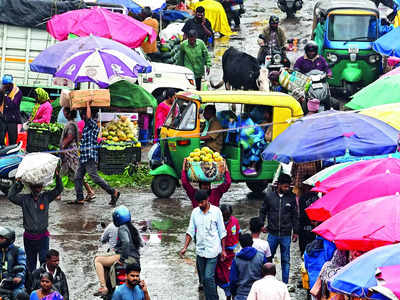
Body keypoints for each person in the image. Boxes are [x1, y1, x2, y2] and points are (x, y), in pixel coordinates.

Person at [8, 169, 63, 273]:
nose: (37, 189)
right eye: (34, 187)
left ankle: (43, 283)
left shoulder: (46, 197)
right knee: (30, 262)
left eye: (39, 186)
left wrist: (57, 176)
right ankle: (31, 284)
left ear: (42, 187)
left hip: (43, 237)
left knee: (43, 261)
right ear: (30, 188)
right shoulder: (24, 199)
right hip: (29, 237)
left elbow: (59, 189)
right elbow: (10, 196)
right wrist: (18, 183)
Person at [179, 190, 227, 300]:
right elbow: (190, 230)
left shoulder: (216, 211)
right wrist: (185, 247)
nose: (200, 205)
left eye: (202, 202)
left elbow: (222, 232)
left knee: (208, 277)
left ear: (207, 200)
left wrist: (223, 250)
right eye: (198, 203)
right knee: (203, 280)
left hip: (213, 251)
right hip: (200, 252)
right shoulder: (195, 212)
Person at [72, 100, 119, 205]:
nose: (82, 115)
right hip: (83, 156)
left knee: (94, 177)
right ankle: (79, 198)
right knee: (77, 177)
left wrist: (87, 104)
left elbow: (88, 118)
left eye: (83, 113)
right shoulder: (87, 126)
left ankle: (113, 192)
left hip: (89, 156)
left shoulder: (92, 124)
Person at [259, 173, 299, 284]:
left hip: (286, 235)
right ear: (279, 185)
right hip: (272, 234)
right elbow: (263, 211)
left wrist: (295, 231)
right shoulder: (269, 196)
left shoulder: (291, 198)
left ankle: (284, 284)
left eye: (288, 186)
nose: (287, 188)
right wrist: (261, 224)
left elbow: (295, 215)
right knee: (268, 259)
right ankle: (267, 282)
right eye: (285, 186)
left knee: (285, 260)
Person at [94, 205, 143, 296]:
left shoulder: (122, 228)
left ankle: (103, 287)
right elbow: (141, 244)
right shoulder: (133, 228)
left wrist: (122, 259)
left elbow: (126, 242)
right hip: (135, 258)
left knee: (97, 260)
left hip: (125, 256)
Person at [60, 107, 95, 202]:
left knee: (77, 173)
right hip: (67, 154)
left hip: (70, 153)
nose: (63, 112)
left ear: (68, 113)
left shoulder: (71, 124)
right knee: (62, 173)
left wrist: (63, 145)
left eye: (64, 111)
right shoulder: (71, 123)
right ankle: (58, 193)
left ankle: (89, 191)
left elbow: (70, 136)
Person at [229, 233, 268, 300]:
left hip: (241, 294)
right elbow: (266, 276)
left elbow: (233, 280)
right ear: (252, 242)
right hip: (258, 293)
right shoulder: (261, 257)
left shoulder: (236, 259)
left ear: (241, 244)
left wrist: (233, 293)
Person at [215, 204, 240, 299]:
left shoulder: (234, 221)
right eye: (224, 216)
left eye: (228, 215)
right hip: (218, 254)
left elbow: (238, 233)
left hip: (230, 254)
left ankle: (229, 296)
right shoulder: (216, 222)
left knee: (231, 277)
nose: (226, 218)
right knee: (218, 276)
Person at [241, 109, 272, 176]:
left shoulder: (272, 125)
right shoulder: (262, 122)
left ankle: (253, 168)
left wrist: (263, 133)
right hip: (261, 140)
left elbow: (268, 137)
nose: (264, 114)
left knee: (256, 147)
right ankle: (246, 165)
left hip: (266, 143)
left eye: (265, 113)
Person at [0, 226, 28, 299]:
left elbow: (22, 266)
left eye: (1, 238)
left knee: (19, 295)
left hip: (13, 285)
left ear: (9, 239)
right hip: (1, 284)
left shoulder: (18, 251)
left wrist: (18, 277)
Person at [1, 74, 22, 145]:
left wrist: (5, 96)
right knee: (1, 139)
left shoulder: (17, 92)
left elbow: (13, 105)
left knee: (12, 139)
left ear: (10, 84)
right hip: (3, 118)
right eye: (3, 84)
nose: (3, 86)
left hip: (12, 119)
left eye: (5, 85)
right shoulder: (3, 91)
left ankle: (12, 154)